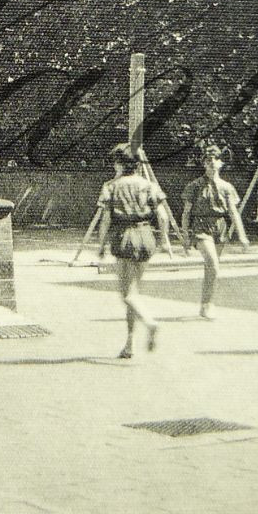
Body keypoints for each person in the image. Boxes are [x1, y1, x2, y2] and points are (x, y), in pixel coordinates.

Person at [84, 143, 174, 359]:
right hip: (146, 236)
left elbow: (105, 220)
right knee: (135, 293)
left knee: (127, 295)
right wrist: (165, 240)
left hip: (124, 236)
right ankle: (130, 344)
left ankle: (150, 323)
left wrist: (102, 245)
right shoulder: (149, 185)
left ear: (119, 164)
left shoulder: (111, 186)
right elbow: (162, 216)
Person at [180, 144, 251, 319]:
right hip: (201, 226)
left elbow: (233, 212)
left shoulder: (227, 187)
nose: (212, 163)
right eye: (208, 160)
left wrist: (241, 235)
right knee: (213, 265)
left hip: (219, 227)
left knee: (210, 269)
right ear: (204, 163)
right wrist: (185, 235)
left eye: (216, 160)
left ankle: (205, 304)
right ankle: (209, 304)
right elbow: (186, 212)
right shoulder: (194, 186)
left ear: (221, 163)